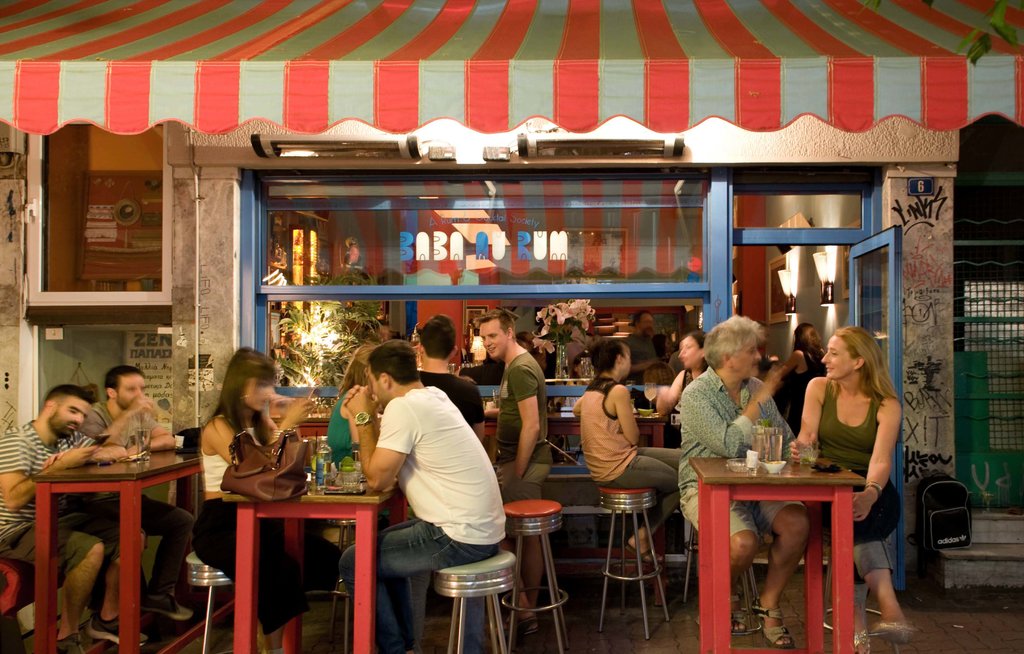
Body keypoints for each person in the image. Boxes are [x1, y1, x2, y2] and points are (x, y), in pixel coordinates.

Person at [339, 340, 505, 654]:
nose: (371, 391)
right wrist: (369, 415)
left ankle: (397, 649)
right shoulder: (434, 396)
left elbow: (377, 479)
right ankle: (405, 646)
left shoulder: (404, 408)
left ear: (385, 379)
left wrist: (363, 416)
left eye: (371, 382)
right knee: (381, 553)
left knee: (354, 561)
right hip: (480, 528)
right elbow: (387, 470)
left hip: (459, 534)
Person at [191, 349, 340, 654]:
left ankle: (272, 638)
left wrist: (291, 427)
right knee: (276, 566)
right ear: (241, 386)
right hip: (222, 524)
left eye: (270, 384)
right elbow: (254, 471)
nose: (269, 392)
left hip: (262, 518)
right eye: (262, 384)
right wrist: (285, 426)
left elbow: (292, 467)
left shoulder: (262, 425)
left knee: (324, 554)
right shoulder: (219, 426)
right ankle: (272, 648)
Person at [677, 316, 808, 649]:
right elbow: (728, 444)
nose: (758, 357)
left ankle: (768, 603)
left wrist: (799, 449)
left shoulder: (754, 387)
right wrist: (757, 403)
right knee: (742, 543)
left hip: (758, 484)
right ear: (728, 357)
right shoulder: (697, 395)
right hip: (704, 488)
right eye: (751, 351)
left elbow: (783, 436)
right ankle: (725, 594)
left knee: (797, 523)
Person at [790, 326, 913, 652]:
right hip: (829, 484)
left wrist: (870, 494)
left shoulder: (887, 404)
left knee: (858, 521)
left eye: (834, 353)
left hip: (874, 487)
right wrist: (801, 449)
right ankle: (888, 606)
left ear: (858, 361)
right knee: (853, 524)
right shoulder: (818, 388)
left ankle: (857, 625)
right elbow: (807, 437)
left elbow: (881, 460)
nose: (825, 359)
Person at [0, 385, 136, 653]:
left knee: (131, 535)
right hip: (14, 529)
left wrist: (91, 455)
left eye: (83, 415)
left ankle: (105, 619)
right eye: (73, 411)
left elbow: (116, 450)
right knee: (90, 548)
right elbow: (14, 499)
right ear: (50, 406)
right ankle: (67, 636)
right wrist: (60, 466)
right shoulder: (17, 441)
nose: (78, 420)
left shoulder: (68, 438)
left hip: (58, 518)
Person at [77, 365, 194, 621]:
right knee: (134, 532)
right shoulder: (94, 415)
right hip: (96, 499)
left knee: (182, 520)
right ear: (111, 392)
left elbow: (167, 439)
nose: (140, 395)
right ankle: (117, 614)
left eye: (142, 388)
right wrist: (129, 414)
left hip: (124, 494)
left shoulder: (139, 414)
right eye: (131, 389)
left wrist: (137, 449)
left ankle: (159, 594)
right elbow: (96, 448)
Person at [477, 308, 550, 637]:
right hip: (518, 460)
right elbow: (518, 410)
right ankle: (524, 607)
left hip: (523, 462)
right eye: (483, 337)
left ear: (509, 332)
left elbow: (531, 425)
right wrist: (494, 411)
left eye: (493, 335)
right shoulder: (515, 365)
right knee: (518, 535)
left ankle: (525, 610)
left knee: (516, 535)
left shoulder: (520, 368)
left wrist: (517, 469)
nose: (487, 342)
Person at [575, 339, 682, 557]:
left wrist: (606, 425)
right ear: (619, 359)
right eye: (629, 357)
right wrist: (620, 419)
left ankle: (644, 533)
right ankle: (641, 536)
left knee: (684, 459)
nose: (630, 363)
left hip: (614, 461)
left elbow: (578, 409)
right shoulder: (618, 391)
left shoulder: (592, 389)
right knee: (685, 478)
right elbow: (633, 437)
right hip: (618, 468)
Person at [419, 315, 485, 439]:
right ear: (454, 351)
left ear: (420, 348)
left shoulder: (408, 387)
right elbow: (478, 439)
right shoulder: (470, 391)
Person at [325, 344, 375, 465]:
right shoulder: (355, 399)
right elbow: (361, 450)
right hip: (348, 473)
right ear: (368, 373)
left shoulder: (349, 396)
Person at [776, 322, 826, 436]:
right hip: (817, 400)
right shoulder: (821, 353)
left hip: (799, 403)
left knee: (796, 433)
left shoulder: (799, 355)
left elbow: (780, 374)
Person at [656, 330, 707, 416]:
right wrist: (663, 396)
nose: (680, 355)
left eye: (688, 347)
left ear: (703, 351)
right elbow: (663, 411)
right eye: (681, 349)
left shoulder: (714, 378)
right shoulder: (683, 375)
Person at [625, 310, 659, 382]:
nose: (650, 325)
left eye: (651, 322)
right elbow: (623, 369)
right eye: (647, 322)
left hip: (651, 385)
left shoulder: (650, 341)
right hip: (635, 386)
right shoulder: (627, 343)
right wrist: (647, 365)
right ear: (637, 323)